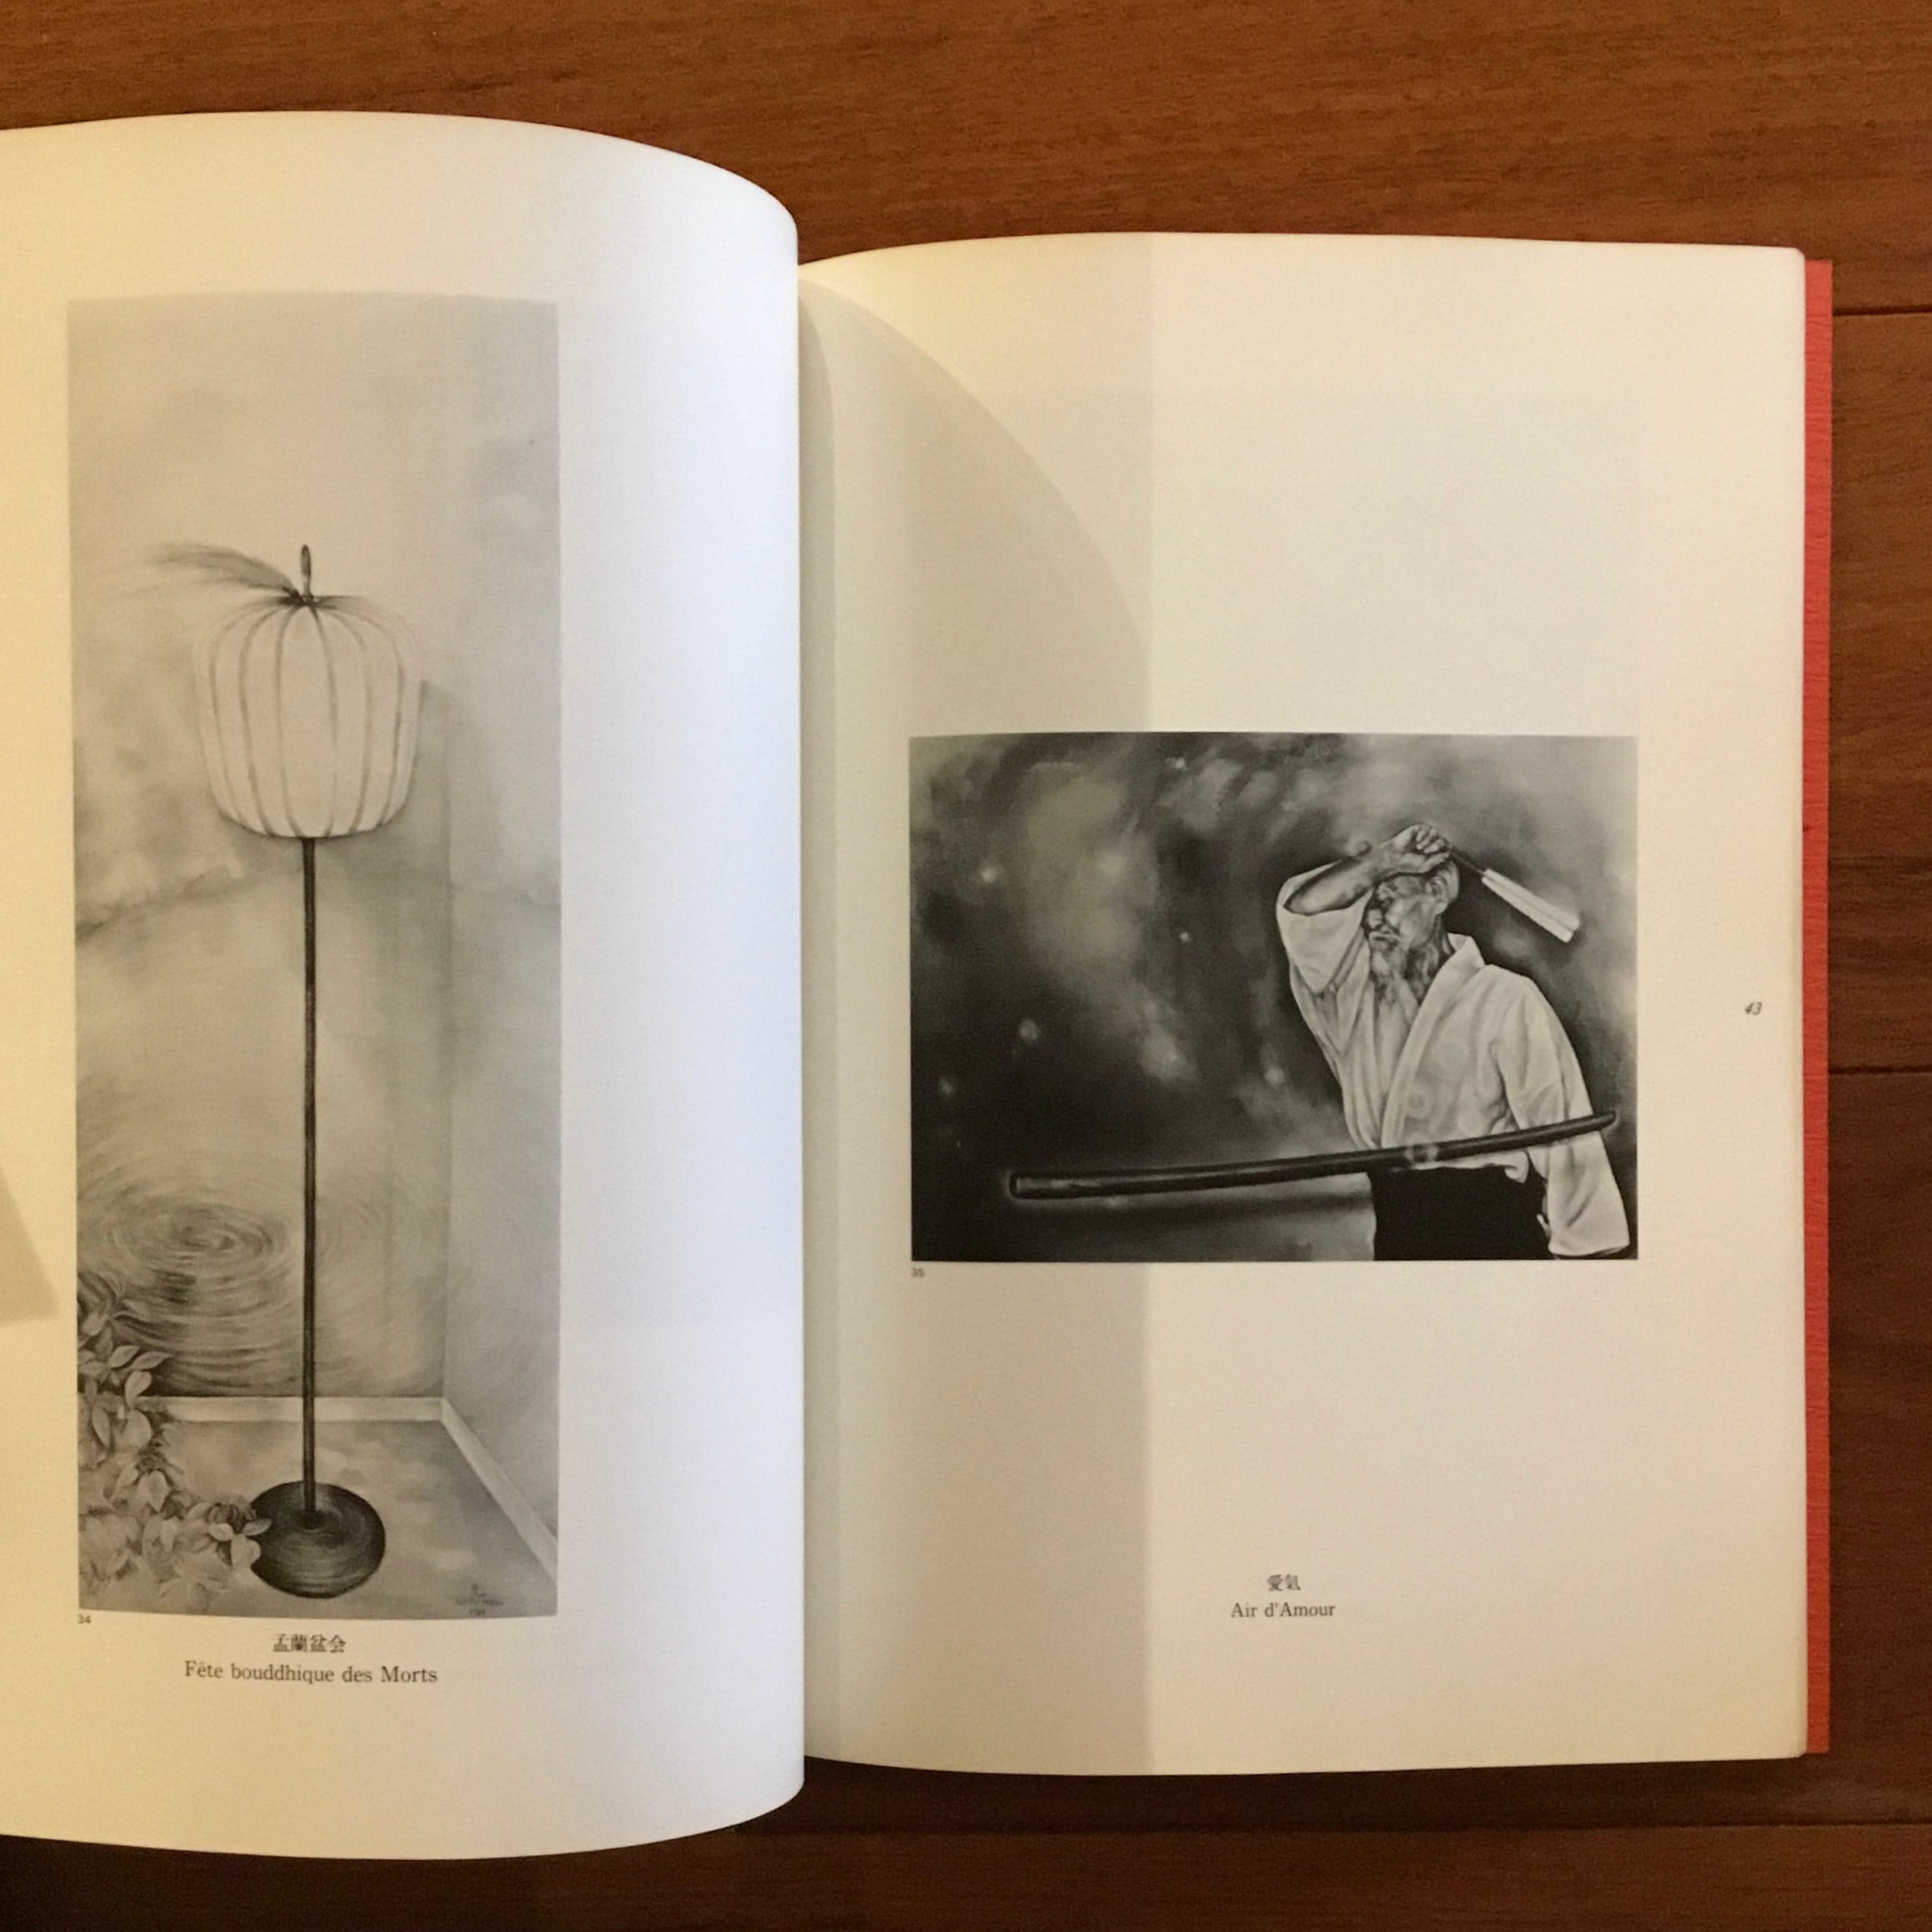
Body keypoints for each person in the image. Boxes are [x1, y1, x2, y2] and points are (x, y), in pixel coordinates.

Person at [1276, 823, 1629, 1259]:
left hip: (1493, 1235)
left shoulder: (1505, 997)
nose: (1371, 920)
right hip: (1399, 1234)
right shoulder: (1354, 999)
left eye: (1386, 900)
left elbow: (1562, 1129)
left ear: (1438, 894)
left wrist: (1584, 1255)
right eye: (1364, 908)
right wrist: (1385, 860)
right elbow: (1302, 913)